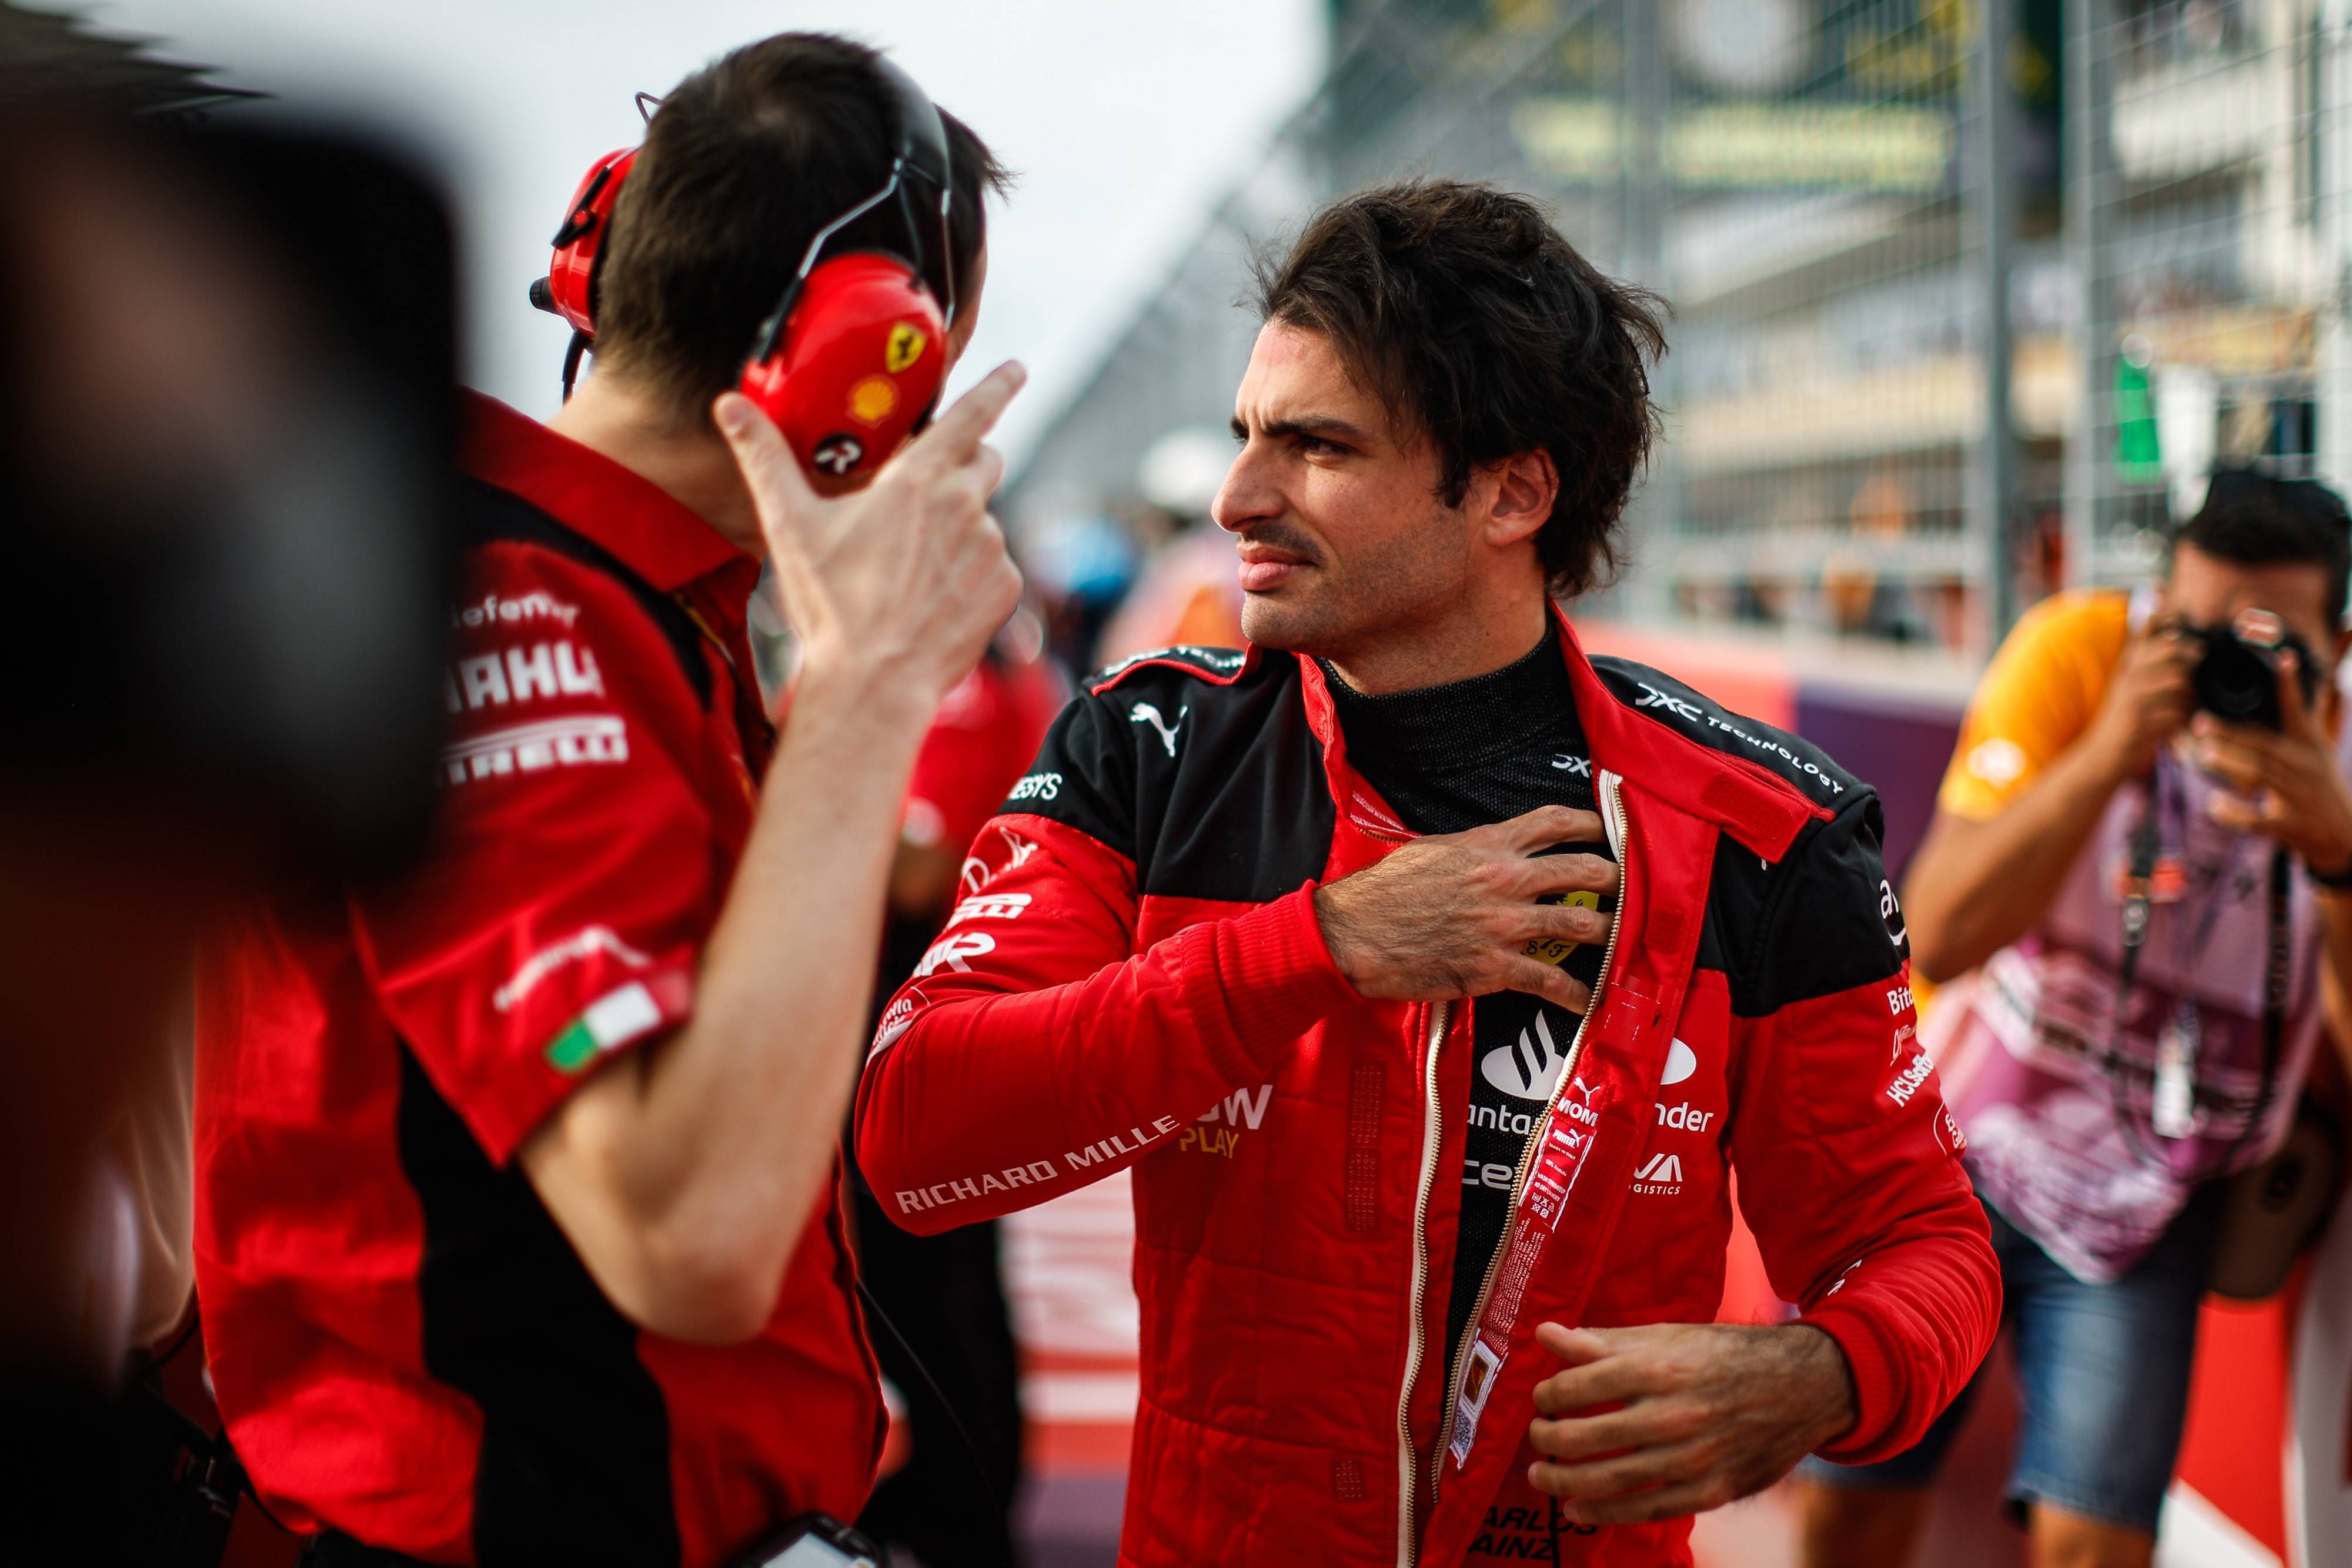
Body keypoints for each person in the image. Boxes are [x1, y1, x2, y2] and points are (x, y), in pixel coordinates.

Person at [854, 179, 2000, 1568]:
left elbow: (1923, 1236)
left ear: (1512, 489)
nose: (1236, 497)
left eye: (1314, 447)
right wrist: (1320, 944)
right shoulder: (1148, 748)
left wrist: (1823, 1372)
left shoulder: (1761, 831)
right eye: (1244, 437)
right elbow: (914, 1138)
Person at [192, 34, 1023, 1565]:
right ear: (864, 355)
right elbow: (686, 1238)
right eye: (935, 365)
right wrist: (869, 690)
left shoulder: (620, 600)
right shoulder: (515, 614)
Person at [1795, 473, 2352, 1568]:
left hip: (2152, 1199)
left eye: (2266, 646)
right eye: (2196, 635)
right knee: (1848, 1508)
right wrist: (2108, 752)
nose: (2223, 674)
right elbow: (1940, 931)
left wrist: (2338, 856)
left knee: (2092, 1548)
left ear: (2338, 645)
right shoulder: (2079, 653)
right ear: (2155, 605)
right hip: (1950, 1152)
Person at [852, 621, 1064, 1567]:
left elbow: (919, 871)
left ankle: (965, 1509)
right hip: (953, 998)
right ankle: (958, 1489)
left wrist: (788, 815)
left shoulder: (953, 680)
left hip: (931, 999)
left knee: (930, 1270)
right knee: (936, 1269)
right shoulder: (979, 669)